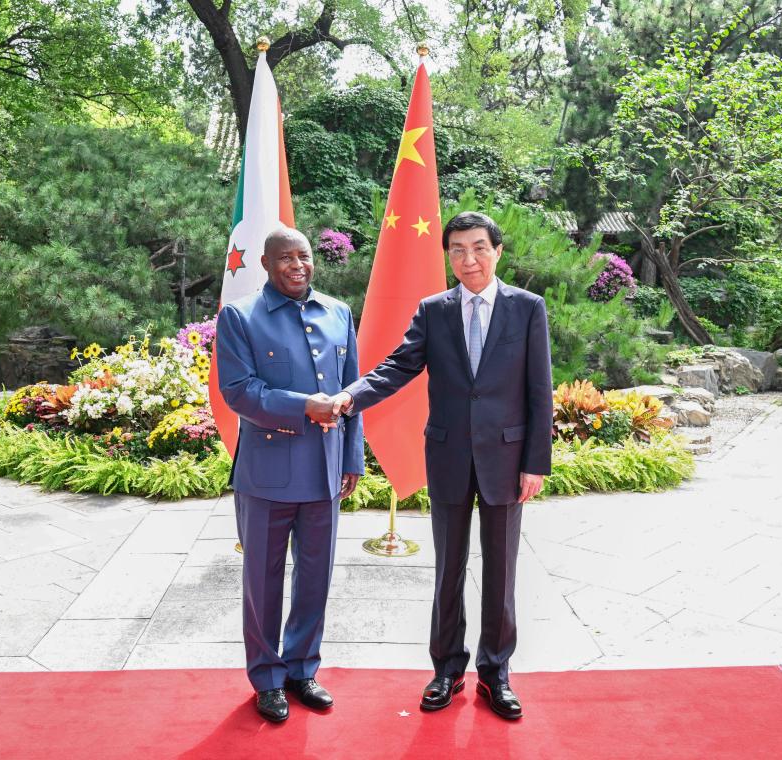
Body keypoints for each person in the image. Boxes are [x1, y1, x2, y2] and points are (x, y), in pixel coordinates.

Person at [331, 211, 553, 720]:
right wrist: (350, 396)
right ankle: (447, 669)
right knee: (448, 567)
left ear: (498, 251)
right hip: (449, 455)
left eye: (479, 248)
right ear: (448, 255)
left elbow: (539, 390)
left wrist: (535, 462)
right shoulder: (434, 310)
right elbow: (398, 365)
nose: (468, 259)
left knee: (501, 571)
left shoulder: (527, 308)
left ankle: (495, 673)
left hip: (505, 459)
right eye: (457, 250)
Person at [216, 227, 364, 723]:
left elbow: (352, 392)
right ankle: (267, 678)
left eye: (304, 256)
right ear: (265, 263)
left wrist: (352, 458)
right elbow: (239, 391)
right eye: (285, 258)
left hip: (325, 471)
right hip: (267, 476)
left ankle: (302, 669)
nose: (297, 265)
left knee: (315, 578)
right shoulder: (240, 317)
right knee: (263, 580)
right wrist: (305, 406)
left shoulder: (338, 313)